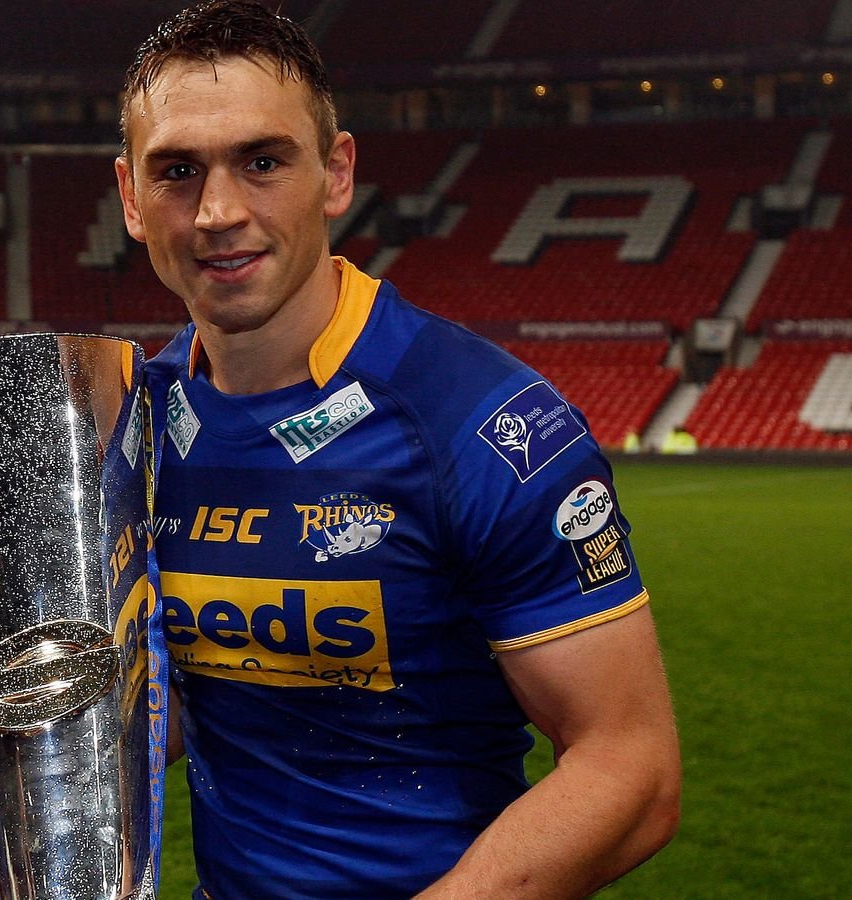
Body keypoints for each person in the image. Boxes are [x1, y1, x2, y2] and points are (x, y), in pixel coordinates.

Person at [115, 2, 681, 896]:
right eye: (177, 172)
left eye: (263, 162)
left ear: (336, 174)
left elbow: (633, 766)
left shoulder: (484, 425)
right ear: (130, 200)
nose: (219, 211)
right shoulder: (133, 425)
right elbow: (201, 694)